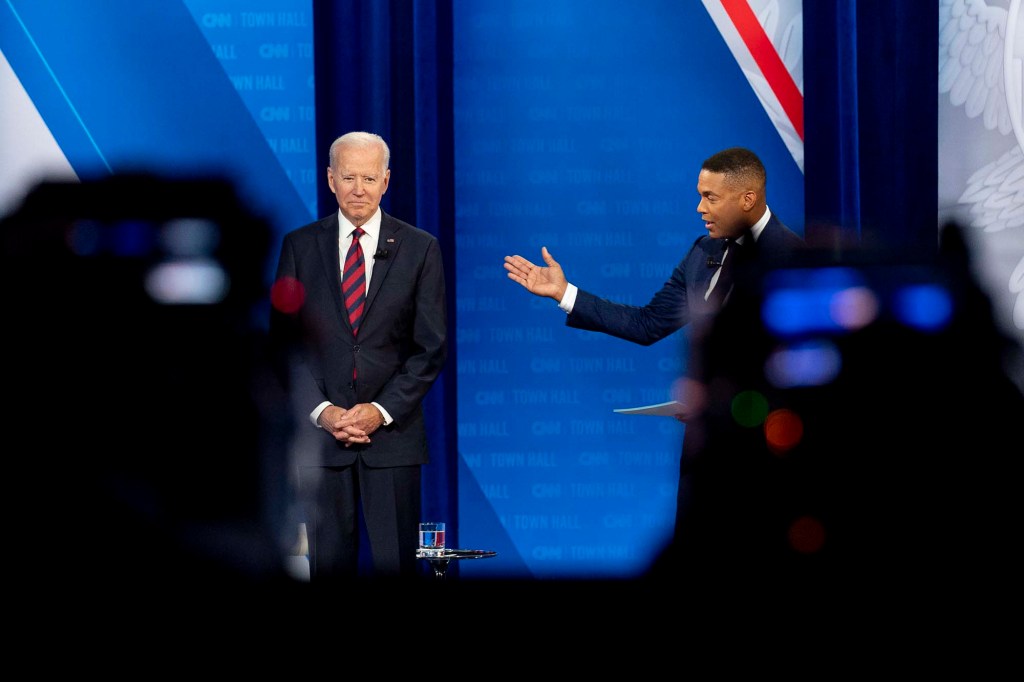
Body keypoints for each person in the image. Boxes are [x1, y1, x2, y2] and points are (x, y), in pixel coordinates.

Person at [502, 146, 805, 532]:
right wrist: (565, 293)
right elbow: (648, 324)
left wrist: (723, 402)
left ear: (748, 199)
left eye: (709, 197)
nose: (699, 208)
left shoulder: (794, 259)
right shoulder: (702, 252)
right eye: (700, 195)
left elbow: (800, 367)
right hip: (707, 459)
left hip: (768, 459)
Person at [270, 131, 448, 580]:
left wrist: (379, 411)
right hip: (322, 444)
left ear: (386, 181)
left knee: (396, 567)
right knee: (328, 568)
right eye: (348, 177)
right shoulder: (299, 246)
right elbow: (285, 345)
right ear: (331, 179)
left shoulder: (420, 248)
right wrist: (324, 412)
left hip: (392, 440)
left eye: (369, 178)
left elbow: (430, 348)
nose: (359, 189)